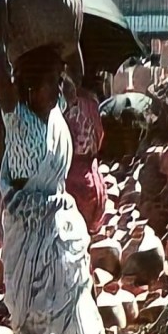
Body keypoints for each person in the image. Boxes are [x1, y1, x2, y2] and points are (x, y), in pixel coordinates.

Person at [0, 0, 111, 334]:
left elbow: (73, 69)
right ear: (29, 89)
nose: (60, 88)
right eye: (52, 83)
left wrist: (69, 37)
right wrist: (1, 36)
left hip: (63, 234)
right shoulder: (20, 123)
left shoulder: (57, 116)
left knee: (86, 331)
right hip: (30, 242)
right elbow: (3, 81)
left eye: (61, 82)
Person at [62, 75, 107, 234]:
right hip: (92, 178)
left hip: (71, 179)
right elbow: (99, 137)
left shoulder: (63, 103)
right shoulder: (92, 103)